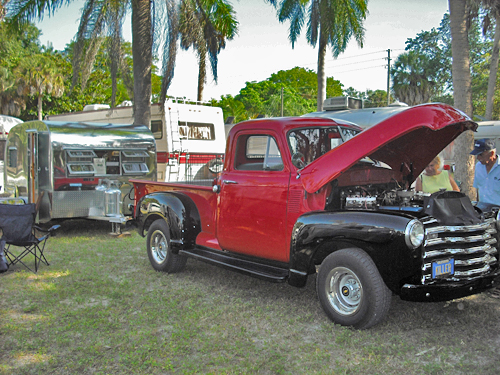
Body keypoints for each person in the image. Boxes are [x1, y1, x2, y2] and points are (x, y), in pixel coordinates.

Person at [471, 138, 500, 205]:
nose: (478, 157)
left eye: (481, 154)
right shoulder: (478, 166)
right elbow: (478, 189)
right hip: (484, 210)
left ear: (492, 153)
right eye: (477, 155)